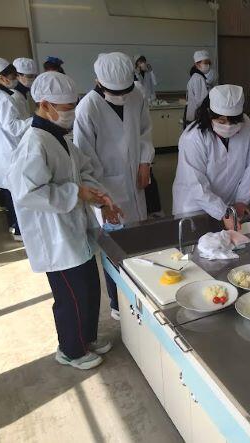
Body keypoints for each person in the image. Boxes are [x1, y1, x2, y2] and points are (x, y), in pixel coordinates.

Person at [7, 71, 121, 370]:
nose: (72, 112)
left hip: (74, 230)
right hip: (55, 237)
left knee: (89, 289)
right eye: (68, 107)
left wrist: (100, 198)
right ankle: (71, 350)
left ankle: (86, 338)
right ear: (45, 105)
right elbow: (27, 193)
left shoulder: (58, 138)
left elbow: (83, 171)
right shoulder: (34, 143)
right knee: (71, 297)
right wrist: (76, 193)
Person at [73, 52, 154, 320]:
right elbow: (84, 160)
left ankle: (140, 294)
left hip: (135, 181)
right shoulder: (88, 108)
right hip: (106, 189)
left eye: (125, 91)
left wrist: (145, 162)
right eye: (114, 92)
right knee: (114, 247)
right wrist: (101, 200)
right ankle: (118, 303)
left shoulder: (136, 95)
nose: (121, 96)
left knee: (138, 241)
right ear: (98, 82)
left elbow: (145, 131)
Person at [172, 85, 250, 229]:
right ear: (209, 114)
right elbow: (196, 184)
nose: (228, 126)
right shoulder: (193, 138)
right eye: (221, 121)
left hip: (229, 204)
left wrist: (242, 200)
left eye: (233, 122)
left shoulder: (246, 126)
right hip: (194, 206)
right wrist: (223, 212)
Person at [0, 58, 32, 241]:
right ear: (1, 78)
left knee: (12, 193)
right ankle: (19, 230)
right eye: (12, 76)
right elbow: (13, 128)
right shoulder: (3, 98)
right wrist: (36, 120)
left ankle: (15, 227)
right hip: (10, 153)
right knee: (17, 194)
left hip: (2, 154)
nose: (15, 79)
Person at [185, 50, 211, 125]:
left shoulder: (196, 77)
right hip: (197, 116)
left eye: (209, 63)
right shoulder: (198, 78)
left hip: (194, 114)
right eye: (205, 63)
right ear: (197, 64)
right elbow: (201, 101)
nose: (208, 65)